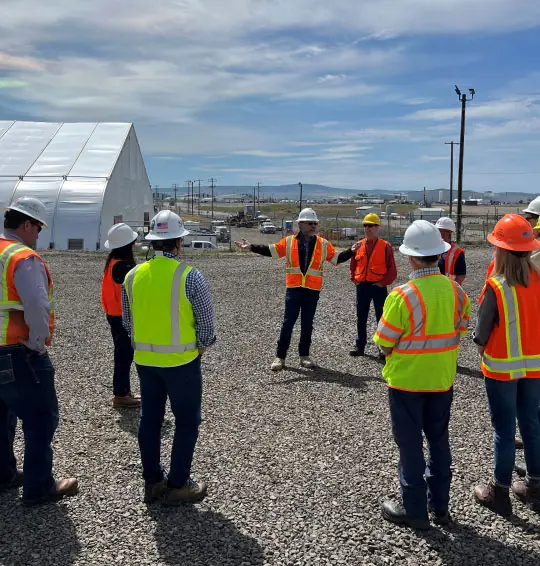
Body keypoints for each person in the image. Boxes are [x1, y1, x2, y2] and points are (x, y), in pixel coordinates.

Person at [373, 220, 470, 530]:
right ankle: (440, 507)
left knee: (410, 445)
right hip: (442, 381)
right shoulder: (456, 291)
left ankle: (414, 509)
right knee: (439, 442)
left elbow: (384, 342)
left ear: (411, 257)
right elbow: (461, 328)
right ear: (440, 255)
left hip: (406, 383)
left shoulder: (401, 296)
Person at [122, 210, 215, 505]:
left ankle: (152, 483)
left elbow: (128, 322)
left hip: (145, 362)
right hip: (182, 363)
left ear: (153, 242)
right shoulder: (190, 277)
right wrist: (200, 346)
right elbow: (206, 326)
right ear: (178, 243)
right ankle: (178, 484)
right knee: (187, 421)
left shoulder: (132, 276)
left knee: (150, 420)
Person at [0, 197, 78, 504]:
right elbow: (36, 305)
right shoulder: (22, 257)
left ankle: (4, 474)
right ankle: (39, 486)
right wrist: (37, 343)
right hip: (18, 352)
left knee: (1, 416)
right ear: (27, 224)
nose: (39, 236)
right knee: (40, 420)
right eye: (38, 229)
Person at [473, 214, 540, 516]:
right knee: (532, 424)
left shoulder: (496, 286)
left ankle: (500, 494)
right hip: (535, 368)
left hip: (501, 370)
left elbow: (480, 336)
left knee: (504, 431)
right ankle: (534, 487)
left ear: (500, 249)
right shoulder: (538, 280)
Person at [235, 208, 354, 371]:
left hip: (312, 290)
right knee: (288, 323)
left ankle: (304, 356)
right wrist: (251, 247)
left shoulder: (323, 244)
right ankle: (280, 357)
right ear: (300, 224)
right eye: (309, 223)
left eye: (315, 223)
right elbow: (272, 250)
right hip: (294, 289)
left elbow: (337, 258)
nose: (313, 226)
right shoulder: (289, 241)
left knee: (307, 324)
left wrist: (352, 251)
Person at [101, 223, 140, 408]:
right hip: (122, 317)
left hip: (113, 313)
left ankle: (123, 391)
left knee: (122, 354)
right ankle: (121, 393)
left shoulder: (112, 263)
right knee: (124, 355)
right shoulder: (125, 267)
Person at [349, 213, 397, 359]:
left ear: (377, 227)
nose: (367, 228)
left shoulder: (385, 247)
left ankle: (382, 348)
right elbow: (353, 265)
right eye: (365, 225)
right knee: (361, 316)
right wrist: (354, 279)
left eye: (370, 225)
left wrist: (382, 283)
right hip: (362, 286)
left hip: (378, 287)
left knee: (381, 317)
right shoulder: (358, 245)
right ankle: (360, 346)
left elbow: (392, 270)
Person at [435, 217, 466, 285]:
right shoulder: (431, 248)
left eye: (443, 231)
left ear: (450, 232)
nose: (440, 233)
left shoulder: (457, 252)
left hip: (449, 289)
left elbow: (460, 276)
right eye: (438, 230)